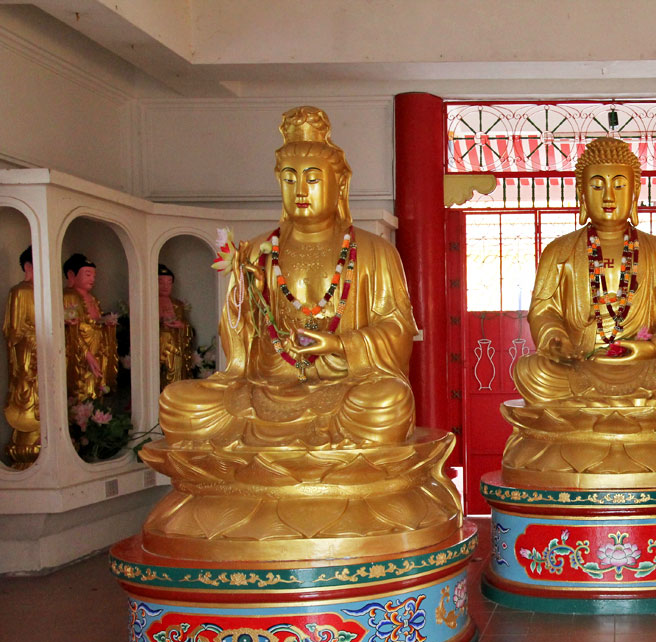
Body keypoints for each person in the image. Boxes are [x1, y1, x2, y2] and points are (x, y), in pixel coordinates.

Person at [157, 106, 418, 448]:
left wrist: (337, 344)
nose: (299, 191)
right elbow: (238, 341)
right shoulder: (258, 251)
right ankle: (310, 450)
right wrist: (243, 294)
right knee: (179, 400)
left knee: (387, 403)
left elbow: (397, 330)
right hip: (270, 384)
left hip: (344, 386)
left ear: (339, 183)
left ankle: (266, 453)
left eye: (312, 179)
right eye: (289, 178)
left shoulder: (373, 250)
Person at [513, 137, 656, 406]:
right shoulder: (559, 251)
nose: (608, 197)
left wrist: (652, 347)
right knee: (531, 371)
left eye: (619, 186)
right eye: (597, 186)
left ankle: (594, 414)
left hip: (646, 364)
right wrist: (558, 341)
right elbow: (543, 311)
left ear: (634, 193)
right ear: (582, 194)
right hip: (581, 364)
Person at [63, 253, 118, 402]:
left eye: (94, 275)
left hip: (98, 350)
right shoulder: (69, 296)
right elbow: (70, 331)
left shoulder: (93, 298)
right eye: (87, 274)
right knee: (82, 393)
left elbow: (95, 323)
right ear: (71, 275)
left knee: (97, 390)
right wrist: (87, 354)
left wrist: (107, 324)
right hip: (81, 355)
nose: (92, 279)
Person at [4, 245, 38, 466]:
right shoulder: (21, 291)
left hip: (46, 354)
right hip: (28, 354)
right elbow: (15, 331)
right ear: (28, 266)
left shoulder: (46, 293)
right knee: (28, 394)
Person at [156, 264, 194, 387]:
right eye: (161, 282)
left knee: (175, 378)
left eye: (169, 283)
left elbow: (187, 327)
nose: (165, 286)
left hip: (175, 347)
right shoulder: (149, 302)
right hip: (157, 346)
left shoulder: (177, 305)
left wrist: (182, 326)